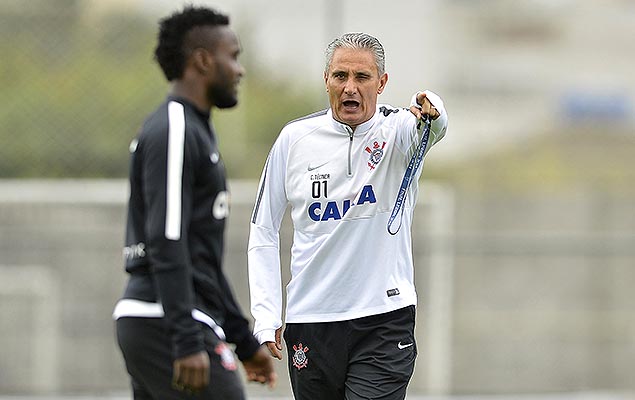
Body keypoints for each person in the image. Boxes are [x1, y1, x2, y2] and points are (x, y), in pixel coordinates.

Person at [247, 32, 448, 399]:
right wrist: (265, 315)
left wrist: (431, 105)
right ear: (326, 80)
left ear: (381, 83)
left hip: (384, 318)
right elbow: (263, 228)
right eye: (340, 76)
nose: (350, 88)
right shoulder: (294, 140)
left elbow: (434, 126)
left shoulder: (399, 130)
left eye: (362, 78)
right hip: (311, 321)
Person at [113, 6, 276, 399]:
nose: (239, 70)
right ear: (203, 60)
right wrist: (186, 341)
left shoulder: (197, 131)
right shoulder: (175, 127)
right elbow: (165, 240)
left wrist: (244, 340)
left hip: (169, 319)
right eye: (233, 56)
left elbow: (199, 258)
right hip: (164, 321)